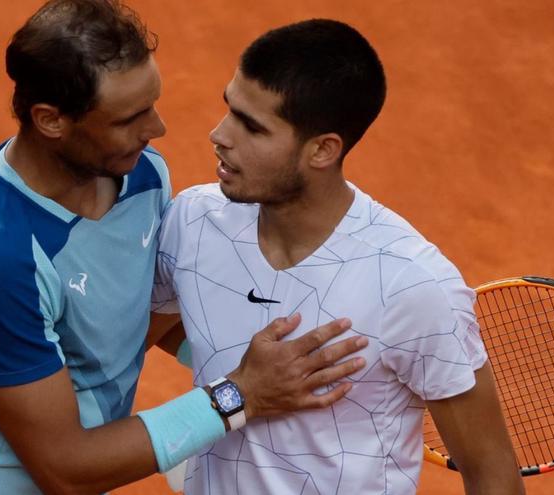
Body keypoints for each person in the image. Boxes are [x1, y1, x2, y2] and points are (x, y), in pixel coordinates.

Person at [0, 2, 370, 494]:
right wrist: (240, 392)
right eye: (130, 118)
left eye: (152, 104)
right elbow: (65, 469)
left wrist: (296, 367)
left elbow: (129, 325)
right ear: (51, 120)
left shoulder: (142, 177)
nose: (156, 129)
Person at [152, 19, 525, 495]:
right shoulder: (193, 222)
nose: (219, 134)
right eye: (230, 108)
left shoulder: (413, 286)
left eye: (252, 127)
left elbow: (493, 475)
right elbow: (136, 341)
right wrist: (247, 380)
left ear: (323, 150)